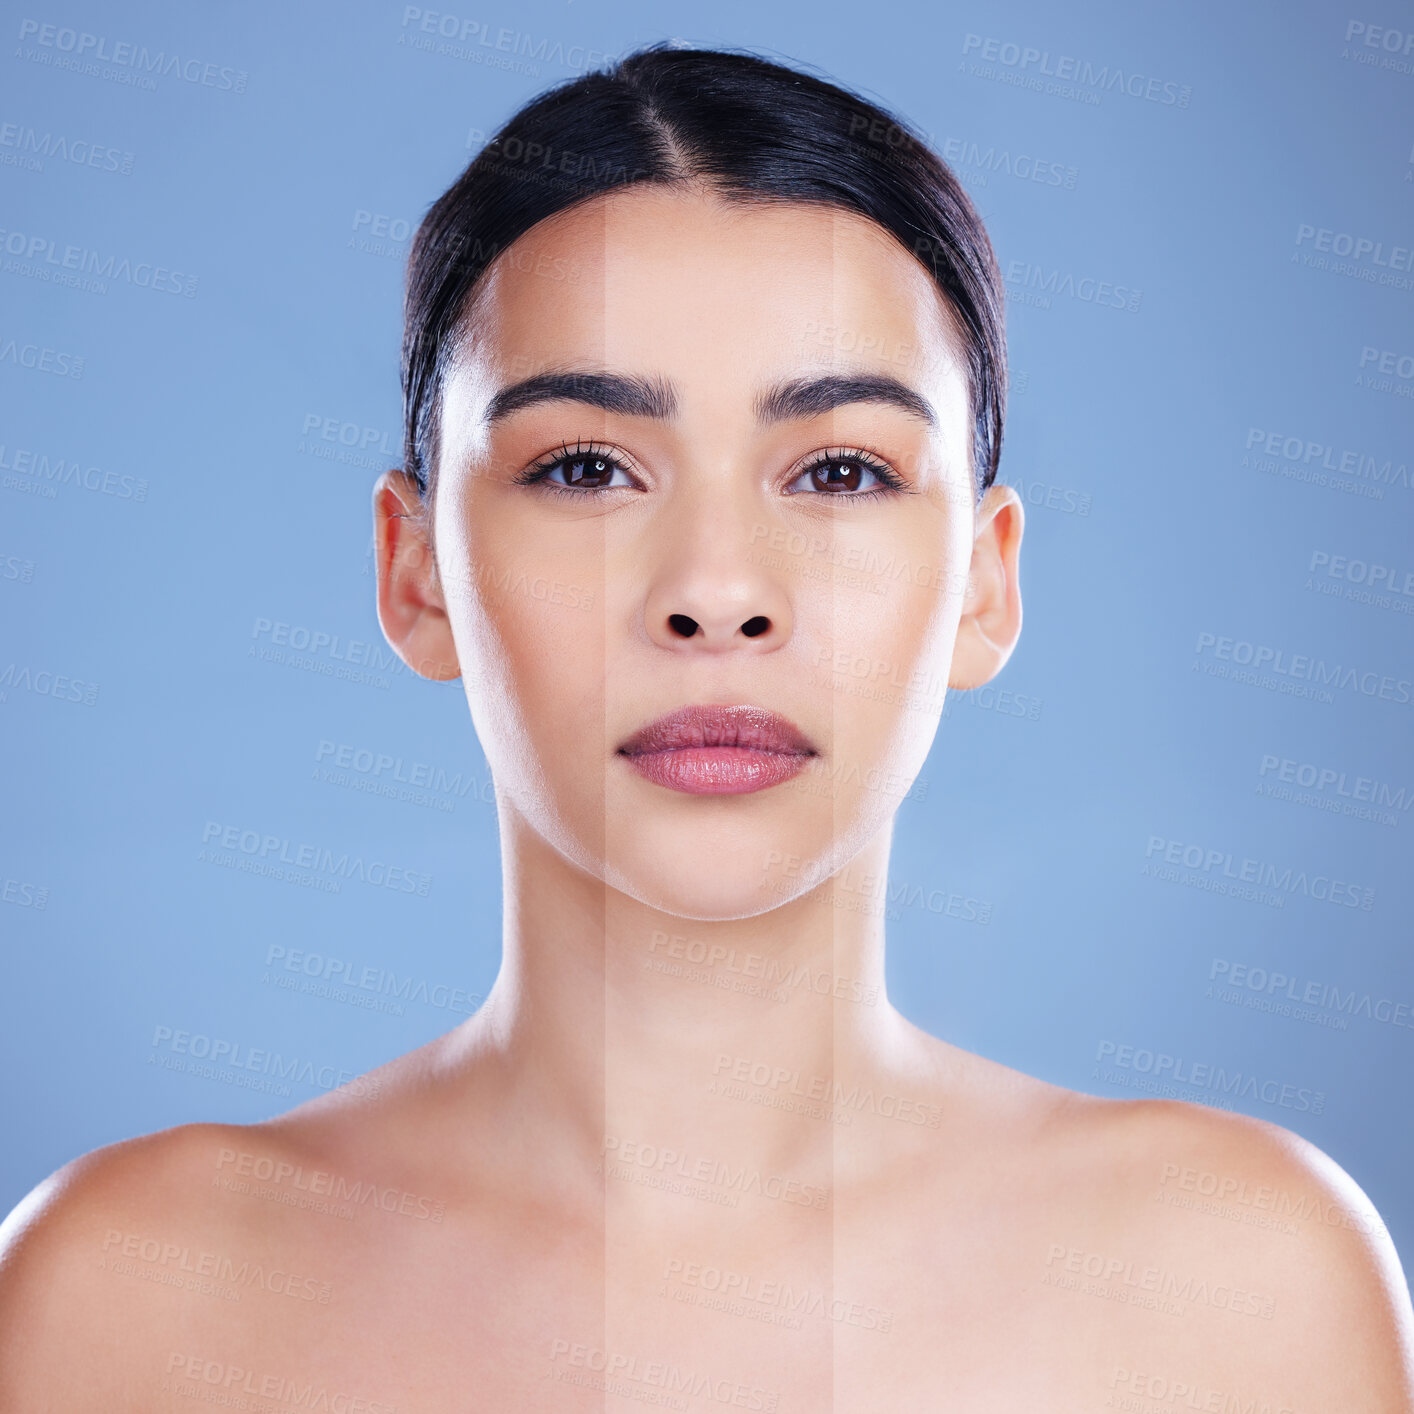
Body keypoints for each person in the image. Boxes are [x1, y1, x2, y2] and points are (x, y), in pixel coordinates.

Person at [2, 44, 1410, 1411]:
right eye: (586, 466)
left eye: (842, 468)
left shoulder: (1243, 1286)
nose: (716, 594)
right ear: (413, 571)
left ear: (986, 581)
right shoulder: (126, 1297)